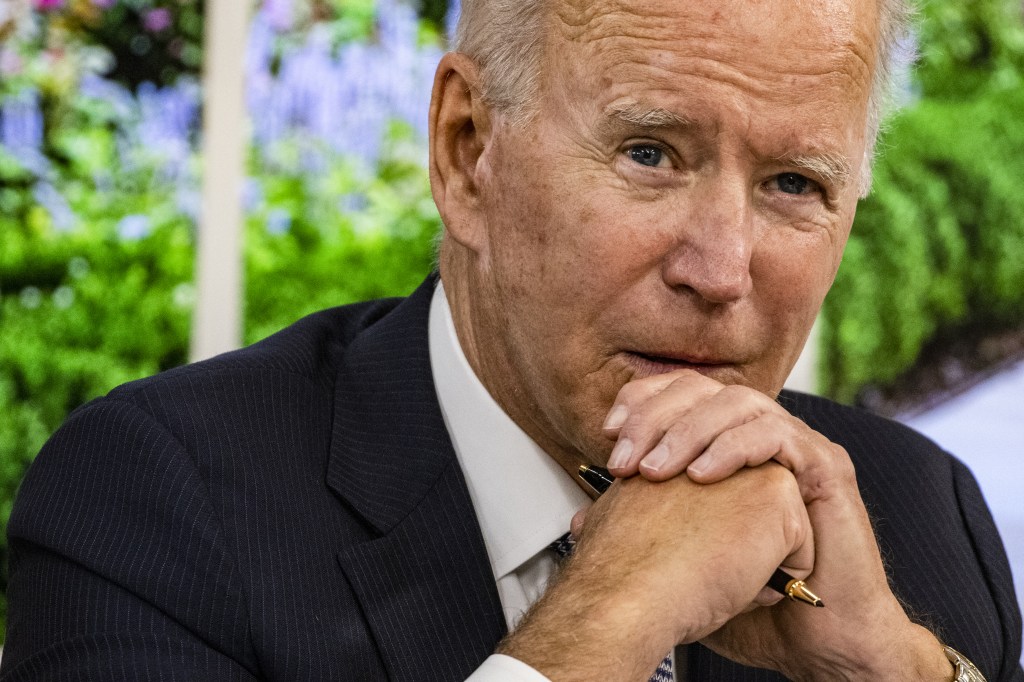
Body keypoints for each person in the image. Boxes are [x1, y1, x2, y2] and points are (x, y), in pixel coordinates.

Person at [2, 0, 1022, 679]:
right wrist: (606, 623)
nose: (719, 269)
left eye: (794, 183)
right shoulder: (154, 509)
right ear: (466, 150)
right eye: (650, 152)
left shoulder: (918, 520)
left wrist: (888, 670)